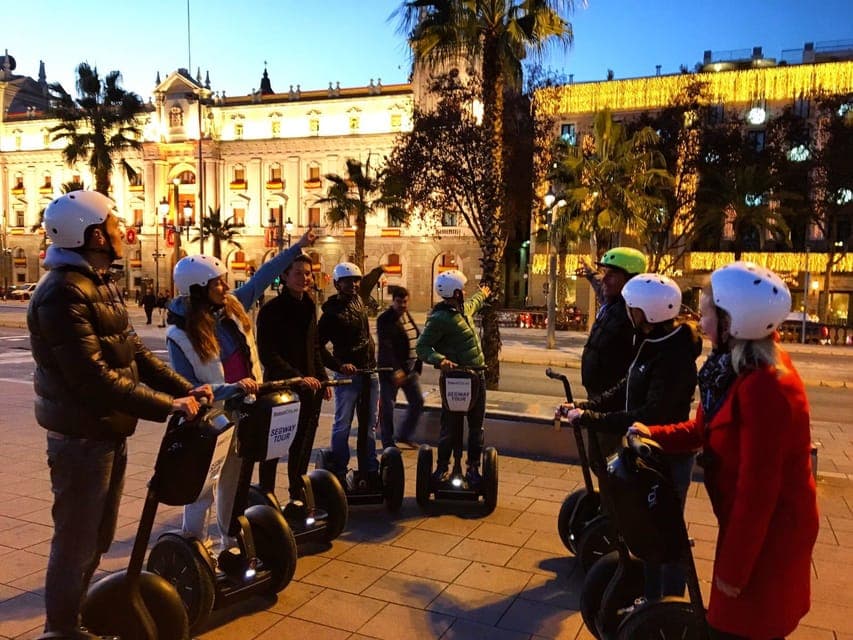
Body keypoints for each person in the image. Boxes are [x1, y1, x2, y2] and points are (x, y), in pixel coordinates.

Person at [28, 190, 209, 640]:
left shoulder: (98, 282)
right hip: (80, 440)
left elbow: (136, 358)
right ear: (92, 234)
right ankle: (61, 630)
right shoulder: (62, 292)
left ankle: (74, 621)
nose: (122, 232)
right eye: (113, 226)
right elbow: (93, 379)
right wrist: (168, 406)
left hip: (107, 432)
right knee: (76, 542)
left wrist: (189, 390)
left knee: (97, 538)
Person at [631, 262, 819, 639]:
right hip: (747, 532)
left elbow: (759, 493)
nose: (700, 322)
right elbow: (703, 429)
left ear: (736, 320)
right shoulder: (732, 370)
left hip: (768, 541)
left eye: (706, 313)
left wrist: (732, 572)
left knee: (735, 629)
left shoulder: (767, 387)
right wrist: (653, 432)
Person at [166, 231, 315, 548]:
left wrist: (296, 248)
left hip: (244, 408)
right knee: (205, 484)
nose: (225, 286)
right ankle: (193, 542)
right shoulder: (180, 335)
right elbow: (189, 386)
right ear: (197, 289)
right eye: (217, 283)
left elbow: (263, 277)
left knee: (233, 480)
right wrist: (229, 388)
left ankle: (229, 538)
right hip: (211, 418)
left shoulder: (233, 307)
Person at [562, 273, 702, 599]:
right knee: (647, 533)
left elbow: (649, 414)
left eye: (632, 307)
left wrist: (594, 418)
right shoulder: (652, 344)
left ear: (648, 311)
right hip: (645, 450)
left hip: (666, 457)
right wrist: (584, 408)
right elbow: (625, 390)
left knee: (664, 535)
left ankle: (667, 606)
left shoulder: (673, 354)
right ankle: (650, 598)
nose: (627, 312)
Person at [256, 253, 331, 508]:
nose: (305, 278)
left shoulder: (309, 305)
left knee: (302, 444)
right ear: (285, 276)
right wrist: (297, 377)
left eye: (308, 273)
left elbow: (315, 346)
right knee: (274, 447)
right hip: (281, 391)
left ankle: (296, 494)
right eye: (298, 273)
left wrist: (322, 377)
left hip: (310, 390)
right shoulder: (271, 310)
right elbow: (268, 354)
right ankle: (265, 496)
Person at [416, 270, 490, 484]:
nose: (465, 292)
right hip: (455, 378)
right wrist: (440, 360)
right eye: (462, 289)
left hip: (477, 376)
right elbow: (422, 347)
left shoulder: (462, 310)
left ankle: (473, 468)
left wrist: (483, 293)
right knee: (450, 425)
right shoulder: (439, 318)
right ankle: (442, 468)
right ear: (455, 292)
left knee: (476, 426)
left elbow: (474, 302)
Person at [318, 262, 380, 486]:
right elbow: (317, 346)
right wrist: (339, 365)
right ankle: (340, 470)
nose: (353, 284)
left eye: (356, 280)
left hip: (370, 372)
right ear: (337, 284)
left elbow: (371, 281)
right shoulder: (330, 314)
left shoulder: (360, 301)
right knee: (343, 424)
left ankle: (370, 468)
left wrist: (379, 268)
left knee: (370, 424)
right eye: (348, 281)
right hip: (348, 377)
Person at [580, 247, 647, 400]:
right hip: (597, 395)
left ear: (631, 280)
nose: (604, 279)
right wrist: (590, 271)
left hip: (614, 402)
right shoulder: (609, 301)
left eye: (612, 274)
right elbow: (599, 283)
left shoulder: (636, 314)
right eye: (605, 272)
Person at [376, 286, 423, 448]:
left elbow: (415, 338)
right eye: (399, 302)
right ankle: (388, 442)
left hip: (409, 371)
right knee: (388, 407)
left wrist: (417, 365)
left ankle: (404, 435)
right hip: (391, 372)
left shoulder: (407, 316)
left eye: (405, 301)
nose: (402, 305)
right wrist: (396, 370)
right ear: (393, 301)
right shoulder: (385, 319)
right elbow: (386, 347)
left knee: (417, 402)